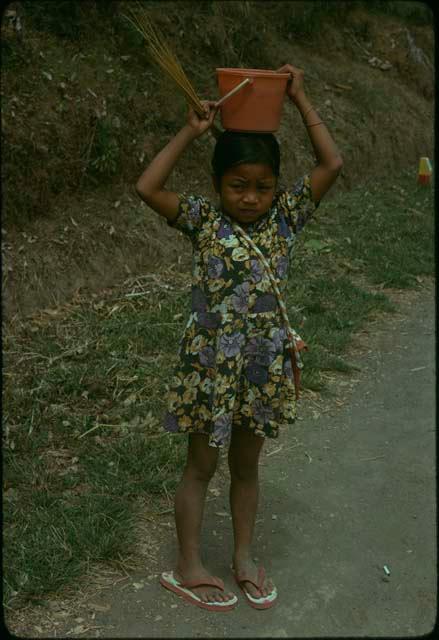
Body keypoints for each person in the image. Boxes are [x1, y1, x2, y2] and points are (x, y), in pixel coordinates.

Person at [135, 63, 343, 612]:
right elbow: (146, 186)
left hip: (261, 366)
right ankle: (187, 566)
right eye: (238, 186)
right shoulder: (204, 221)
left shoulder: (286, 220)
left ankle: (244, 558)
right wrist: (190, 130)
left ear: (276, 188)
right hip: (210, 366)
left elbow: (332, 162)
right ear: (216, 186)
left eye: (262, 187)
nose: (251, 197)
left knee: (247, 466)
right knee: (201, 465)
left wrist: (299, 97)